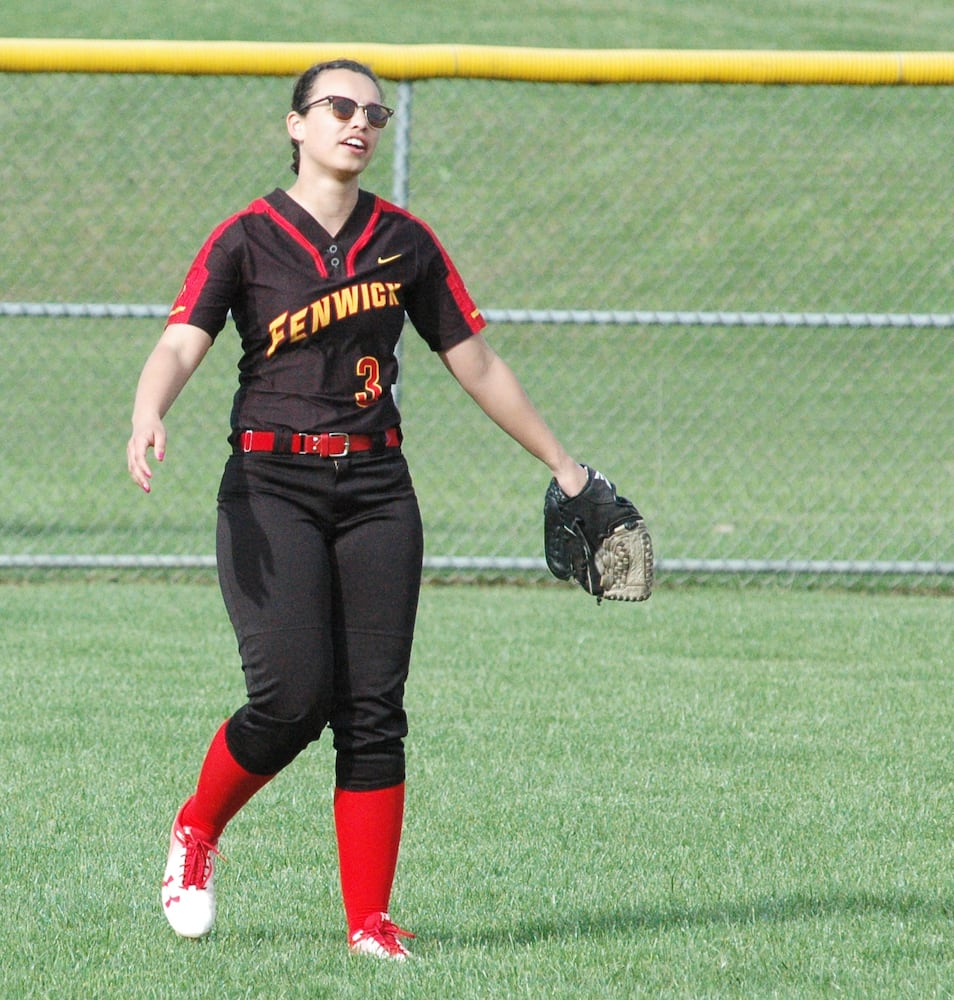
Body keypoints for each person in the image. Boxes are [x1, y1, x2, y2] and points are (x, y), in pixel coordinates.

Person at [126, 58, 588, 961]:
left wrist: (566, 467)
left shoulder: (405, 241)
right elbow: (183, 340)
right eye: (338, 107)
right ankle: (197, 828)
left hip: (378, 491)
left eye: (374, 112)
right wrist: (149, 409)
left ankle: (369, 924)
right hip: (270, 488)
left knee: (374, 708)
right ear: (295, 125)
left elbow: (478, 364)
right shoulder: (246, 239)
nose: (359, 123)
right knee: (292, 695)